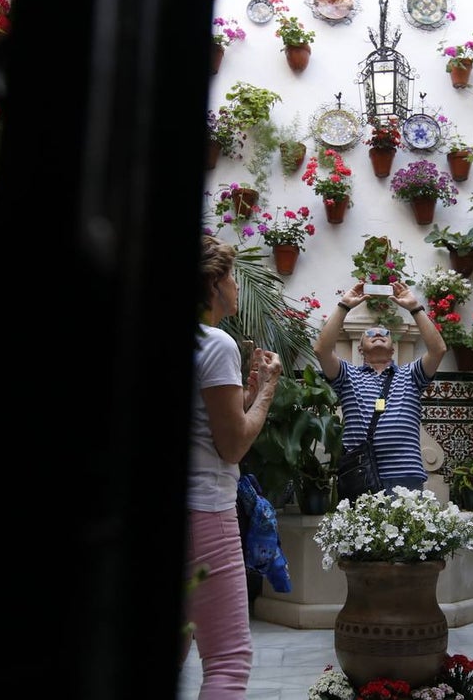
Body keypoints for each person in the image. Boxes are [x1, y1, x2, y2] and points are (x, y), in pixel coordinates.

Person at [182, 236, 283, 699]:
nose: (238, 288)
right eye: (233, 278)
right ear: (213, 284)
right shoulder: (215, 342)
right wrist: (267, 392)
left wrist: (247, 391)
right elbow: (233, 446)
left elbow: (209, 422)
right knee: (227, 661)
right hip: (206, 511)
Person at [315, 280, 447, 495]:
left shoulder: (411, 374)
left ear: (392, 348)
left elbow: (438, 349)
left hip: (406, 476)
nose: (377, 334)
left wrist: (414, 307)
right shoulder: (348, 376)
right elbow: (322, 350)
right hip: (360, 474)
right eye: (370, 333)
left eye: (384, 333)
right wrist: (344, 306)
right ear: (360, 347)